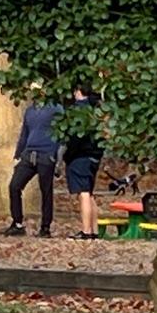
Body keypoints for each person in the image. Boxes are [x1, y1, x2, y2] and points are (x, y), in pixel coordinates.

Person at [6, 90, 63, 237]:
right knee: (14, 186)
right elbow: (24, 133)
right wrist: (18, 153)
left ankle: (45, 227)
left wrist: (58, 158)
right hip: (29, 154)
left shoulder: (56, 108)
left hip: (46, 154)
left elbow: (63, 134)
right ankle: (17, 223)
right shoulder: (30, 111)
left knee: (46, 191)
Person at [64, 86, 106, 239]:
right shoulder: (96, 110)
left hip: (80, 156)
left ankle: (86, 231)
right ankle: (94, 230)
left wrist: (68, 155)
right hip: (94, 156)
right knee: (89, 193)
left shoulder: (76, 111)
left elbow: (75, 137)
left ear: (77, 91)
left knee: (83, 194)